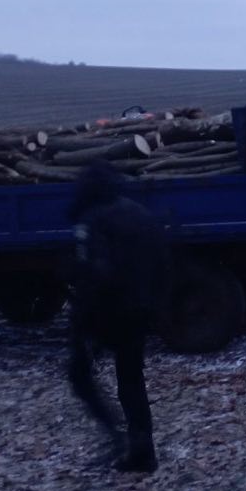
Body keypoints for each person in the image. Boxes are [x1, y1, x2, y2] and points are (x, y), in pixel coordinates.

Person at [66, 161, 170, 473]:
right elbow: (164, 261)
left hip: (104, 312)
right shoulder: (140, 214)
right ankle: (142, 449)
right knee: (130, 379)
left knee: (80, 375)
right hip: (138, 311)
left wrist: (82, 318)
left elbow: (94, 273)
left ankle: (115, 437)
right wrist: (155, 305)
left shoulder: (92, 220)